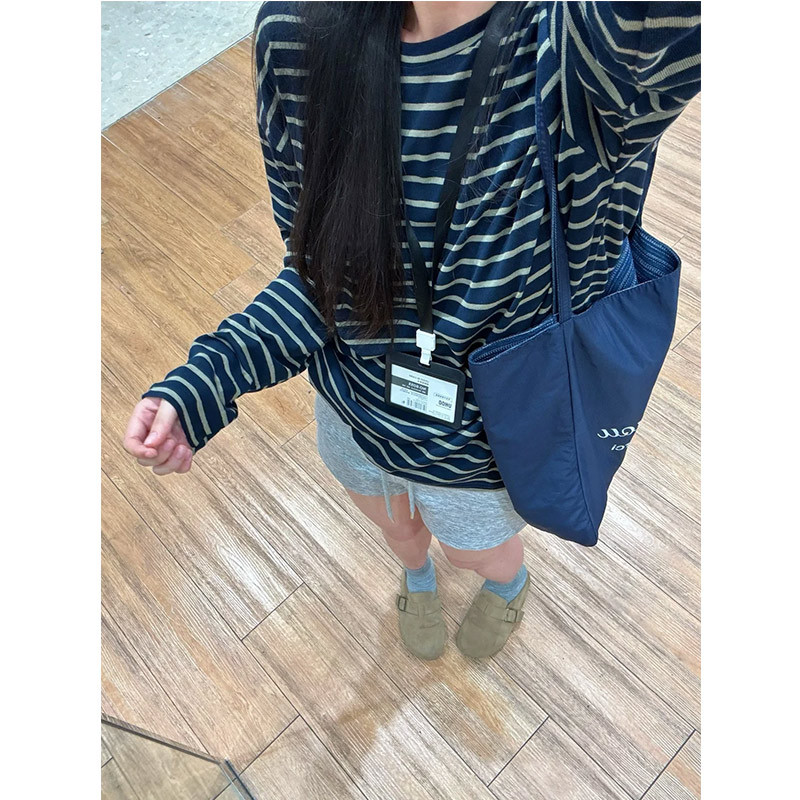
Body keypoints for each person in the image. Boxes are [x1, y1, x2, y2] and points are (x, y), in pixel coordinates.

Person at [122, 1, 701, 661]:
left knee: (476, 552)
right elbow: (318, 276)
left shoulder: (583, 59)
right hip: (353, 415)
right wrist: (212, 375)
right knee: (398, 530)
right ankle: (415, 576)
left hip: (484, 455)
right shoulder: (296, 34)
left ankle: (508, 584)